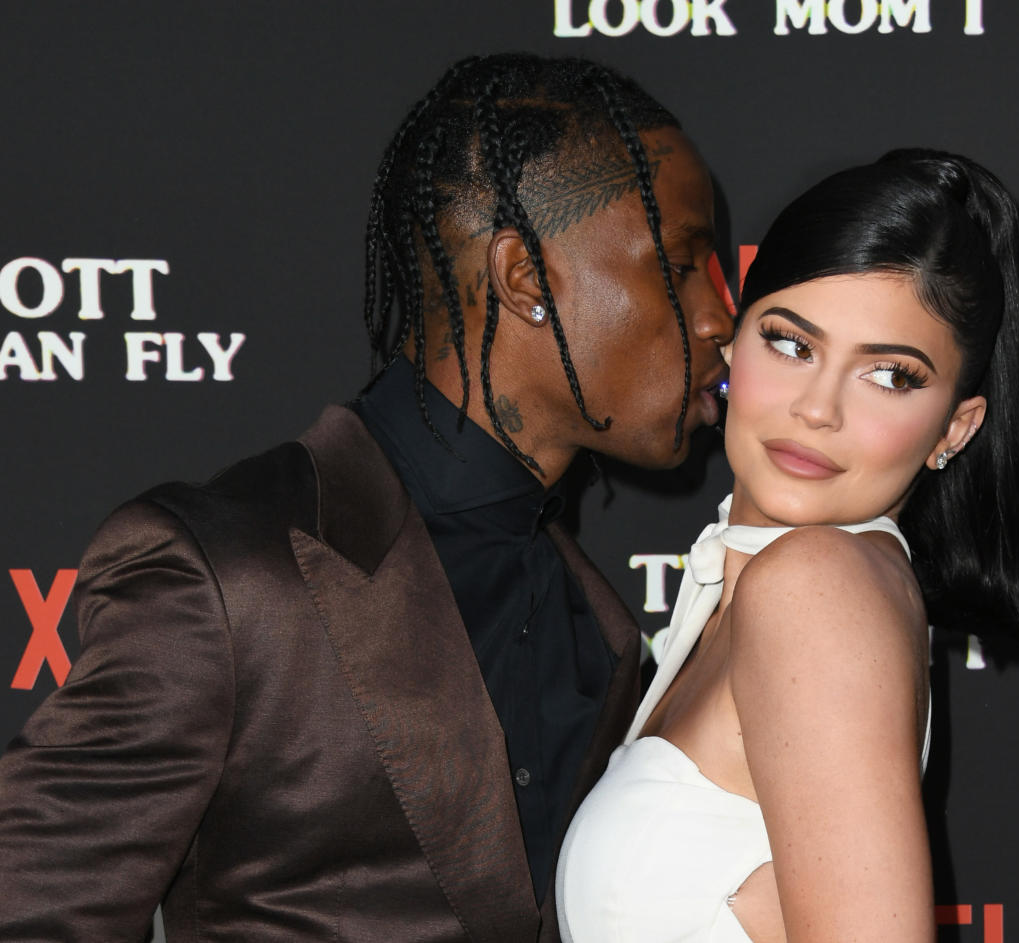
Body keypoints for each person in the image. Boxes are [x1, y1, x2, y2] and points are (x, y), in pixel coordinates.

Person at [0, 54, 732, 941]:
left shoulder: (599, 621)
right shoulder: (228, 574)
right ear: (528, 278)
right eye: (683, 264)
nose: (719, 316)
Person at [556, 149, 1019, 942]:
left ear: (956, 427)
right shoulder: (763, 585)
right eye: (792, 343)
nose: (817, 408)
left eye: (891, 376)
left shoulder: (815, 584)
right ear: (734, 342)